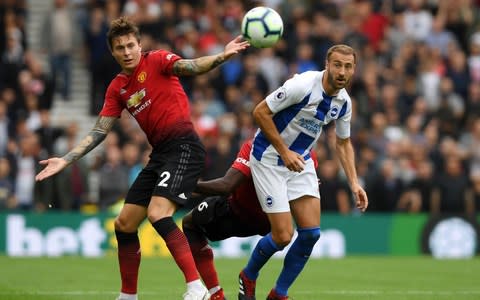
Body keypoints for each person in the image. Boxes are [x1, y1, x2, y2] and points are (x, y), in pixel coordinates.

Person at [35, 16, 249, 300]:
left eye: (130, 45)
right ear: (112, 52)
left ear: (140, 45)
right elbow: (100, 129)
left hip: (184, 146)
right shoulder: (117, 88)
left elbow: (190, 66)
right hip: (160, 155)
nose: (126, 52)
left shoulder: (158, 60)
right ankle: (128, 296)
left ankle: (195, 287)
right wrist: (65, 159)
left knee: (158, 213)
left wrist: (222, 56)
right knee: (123, 224)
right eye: (120, 48)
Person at [238, 44, 369, 300]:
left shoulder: (343, 103)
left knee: (311, 234)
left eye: (348, 66)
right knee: (283, 235)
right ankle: (248, 276)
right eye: (338, 65)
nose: (342, 71)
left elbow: (343, 142)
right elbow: (260, 112)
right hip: (268, 157)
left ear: (354, 70)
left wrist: (354, 183)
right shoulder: (303, 85)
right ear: (327, 64)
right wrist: (284, 152)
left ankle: (279, 294)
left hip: (301, 161)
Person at [183, 139, 317, 300]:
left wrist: (185, 185)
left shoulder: (256, 145)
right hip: (270, 221)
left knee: (189, 223)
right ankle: (275, 290)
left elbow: (226, 186)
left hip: (235, 215)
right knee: (303, 234)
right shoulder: (308, 154)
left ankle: (216, 293)